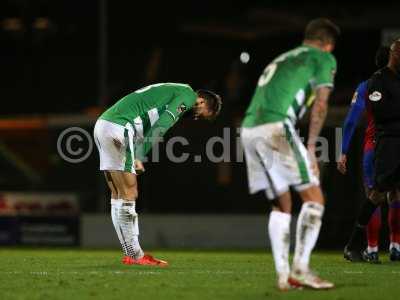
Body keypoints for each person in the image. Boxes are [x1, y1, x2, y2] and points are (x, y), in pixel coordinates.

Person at [241, 18, 339, 290]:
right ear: (328, 45)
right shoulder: (323, 58)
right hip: (275, 127)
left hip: (249, 129)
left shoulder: (283, 57)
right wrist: (310, 147)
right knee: (315, 198)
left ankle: (285, 276)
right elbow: (321, 103)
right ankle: (302, 268)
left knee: (282, 204)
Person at [94, 83, 222, 266]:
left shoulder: (174, 90)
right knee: (130, 192)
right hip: (119, 127)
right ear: (200, 101)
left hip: (104, 124)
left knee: (118, 194)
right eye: (199, 115)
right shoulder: (188, 95)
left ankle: (131, 253)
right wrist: (139, 155)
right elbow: (163, 124)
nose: (195, 118)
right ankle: (136, 255)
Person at [338, 47, 400, 263]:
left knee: (374, 195)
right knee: (395, 195)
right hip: (389, 145)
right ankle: (395, 246)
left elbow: (352, 120)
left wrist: (343, 151)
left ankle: (372, 249)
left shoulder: (367, 86)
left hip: (376, 146)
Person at [366, 39, 400, 256]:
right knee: (377, 193)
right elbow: (351, 120)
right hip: (378, 145)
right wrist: (342, 150)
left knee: (396, 194)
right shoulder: (372, 82)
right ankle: (369, 245)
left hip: (387, 143)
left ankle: (395, 246)